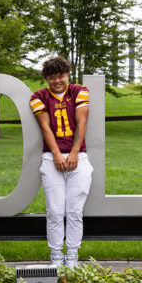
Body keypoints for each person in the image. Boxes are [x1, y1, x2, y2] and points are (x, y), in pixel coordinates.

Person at [29, 56, 93, 268]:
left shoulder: (79, 91)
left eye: (61, 76)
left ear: (68, 75)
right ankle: (56, 255)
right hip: (51, 157)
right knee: (55, 210)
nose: (57, 81)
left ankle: (72, 255)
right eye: (52, 77)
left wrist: (74, 152)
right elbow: (45, 128)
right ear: (46, 78)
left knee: (75, 210)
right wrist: (57, 153)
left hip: (79, 156)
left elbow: (82, 122)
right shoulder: (38, 96)